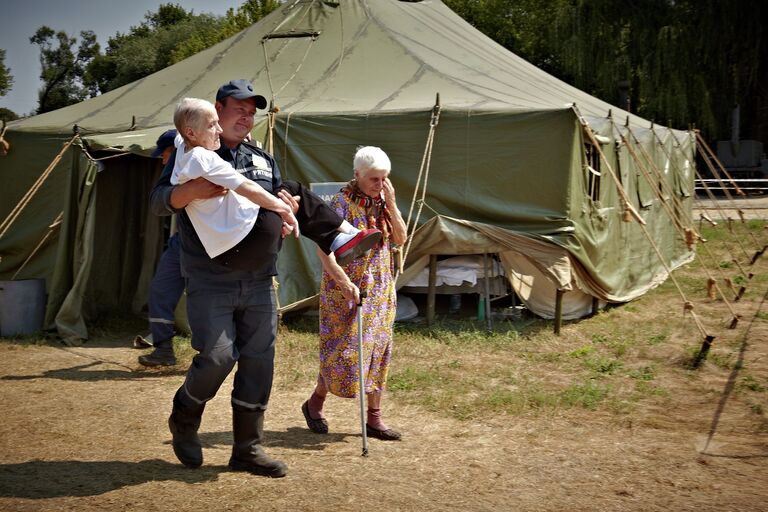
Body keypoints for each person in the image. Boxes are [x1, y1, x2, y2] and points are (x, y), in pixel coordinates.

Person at [149, 79, 377, 478]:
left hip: (259, 280)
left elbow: (264, 202)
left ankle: (247, 450)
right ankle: (184, 417)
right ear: (217, 110)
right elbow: (157, 202)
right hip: (211, 278)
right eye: (239, 108)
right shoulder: (193, 153)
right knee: (217, 358)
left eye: (253, 111)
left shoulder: (262, 159)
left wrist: (284, 208)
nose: (247, 116)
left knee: (259, 364)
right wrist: (187, 193)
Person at [301, 146, 407, 442]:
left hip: (380, 289)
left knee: (377, 352)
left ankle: (374, 418)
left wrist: (393, 203)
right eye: (374, 179)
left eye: (384, 178)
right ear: (357, 174)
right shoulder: (338, 204)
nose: (379, 184)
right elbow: (325, 252)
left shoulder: (384, 201)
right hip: (344, 290)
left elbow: (400, 238)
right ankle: (314, 404)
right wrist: (345, 283)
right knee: (342, 354)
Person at [135, 129, 184, 367]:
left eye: (165, 154)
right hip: (180, 242)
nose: (163, 161)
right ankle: (163, 349)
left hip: (207, 247)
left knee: (206, 301)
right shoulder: (172, 175)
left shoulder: (202, 166)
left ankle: (216, 356)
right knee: (161, 290)